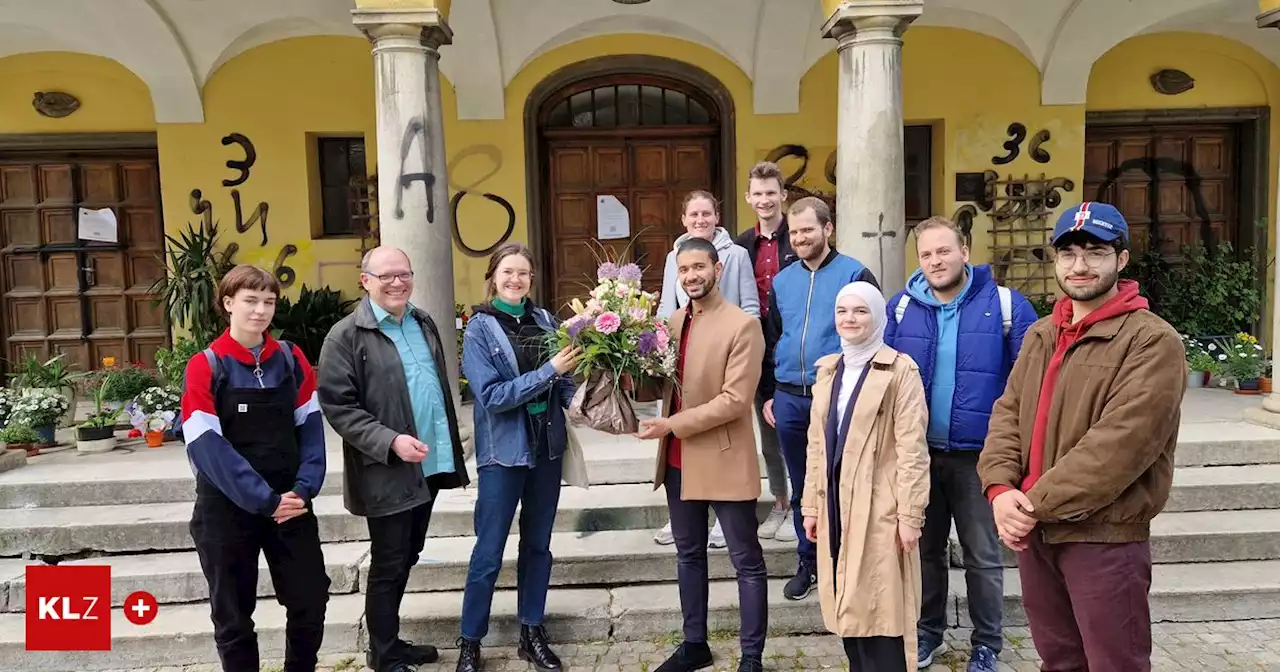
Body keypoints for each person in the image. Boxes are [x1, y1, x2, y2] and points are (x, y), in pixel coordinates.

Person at [977, 202, 1186, 672]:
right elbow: (1007, 415)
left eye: (1095, 252)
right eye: (1068, 254)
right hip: (1038, 535)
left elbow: (1120, 446)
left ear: (1122, 259)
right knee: (1059, 660)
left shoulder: (1152, 341)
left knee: (1115, 663)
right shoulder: (1040, 334)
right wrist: (998, 487)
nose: (1080, 265)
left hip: (1102, 536)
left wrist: (1026, 505)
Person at [883, 216, 1038, 671]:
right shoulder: (901, 308)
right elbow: (885, 377)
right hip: (919, 456)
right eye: (926, 254)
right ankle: (928, 632)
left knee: (984, 556)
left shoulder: (1006, 305)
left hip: (981, 458)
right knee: (924, 552)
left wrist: (1017, 453)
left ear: (965, 251)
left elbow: (1027, 383)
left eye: (943, 251)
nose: (935, 261)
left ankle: (987, 643)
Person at [317, 246, 470, 672]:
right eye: (386, 276)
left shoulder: (422, 322)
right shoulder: (345, 335)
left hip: (431, 461)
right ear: (365, 280)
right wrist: (390, 441)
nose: (397, 282)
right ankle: (383, 654)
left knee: (409, 553)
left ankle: (390, 643)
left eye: (404, 274)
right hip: (386, 466)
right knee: (389, 559)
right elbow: (338, 406)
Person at [181, 264, 329, 672]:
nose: (260, 310)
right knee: (232, 615)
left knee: (311, 597)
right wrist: (263, 500)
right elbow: (207, 445)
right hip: (226, 508)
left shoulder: (291, 358)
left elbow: (312, 428)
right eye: (250, 300)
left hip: (292, 503)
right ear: (228, 304)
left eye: (269, 301)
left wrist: (303, 488)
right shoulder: (205, 366)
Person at [637, 236, 769, 672]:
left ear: (717, 267)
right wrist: (620, 366)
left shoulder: (742, 325)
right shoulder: (671, 323)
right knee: (688, 554)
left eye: (699, 267)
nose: (692, 276)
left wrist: (671, 424)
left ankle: (752, 656)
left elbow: (735, 400)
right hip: (678, 461)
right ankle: (695, 644)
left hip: (724, 456)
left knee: (746, 561)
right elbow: (661, 385)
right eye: (684, 269)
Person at [456, 243, 581, 672]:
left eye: (523, 273)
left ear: (532, 279)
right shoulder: (478, 328)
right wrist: (550, 372)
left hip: (546, 449)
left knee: (538, 547)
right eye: (508, 272)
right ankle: (470, 641)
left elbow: (565, 389)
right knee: (489, 551)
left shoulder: (547, 321)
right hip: (503, 455)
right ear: (493, 276)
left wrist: (596, 398)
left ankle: (531, 632)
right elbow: (491, 397)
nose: (516, 280)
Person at [800, 281, 931, 671]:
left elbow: (913, 449)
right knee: (848, 603)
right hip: (835, 506)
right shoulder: (829, 370)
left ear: (877, 317)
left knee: (881, 605)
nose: (850, 319)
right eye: (843, 311)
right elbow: (816, 447)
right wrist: (810, 505)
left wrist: (910, 515)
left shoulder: (900, 371)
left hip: (879, 508)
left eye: (860, 311)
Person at [762, 196, 879, 601]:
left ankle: (846, 563)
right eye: (794, 232)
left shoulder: (855, 275)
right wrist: (768, 393)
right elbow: (772, 337)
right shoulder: (783, 280)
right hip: (790, 399)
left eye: (808, 230)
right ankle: (808, 561)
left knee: (844, 482)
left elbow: (874, 334)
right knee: (801, 487)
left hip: (838, 396)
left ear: (828, 229)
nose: (800, 238)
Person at [654, 190, 758, 549]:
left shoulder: (736, 256)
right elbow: (668, 304)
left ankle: (718, 516)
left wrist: (744, 349)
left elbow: (750, 306)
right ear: (684, 219)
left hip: (724, 353)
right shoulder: (673, 259)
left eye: (706, 213)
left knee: (744, 556)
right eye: (692, 214)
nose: (699, 220)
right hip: (683, 347)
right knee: (688, 552)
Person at [733, 161, 798, 544]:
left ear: (783, 195)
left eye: (771, 193)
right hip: (759, 346)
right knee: (768, 428)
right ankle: (781, 502)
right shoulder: (743, 245)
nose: (764, 200)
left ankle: (805, 502)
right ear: (748, 198)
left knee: (797, 427)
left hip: (796, 344)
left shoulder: (801, 236)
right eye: (757, 194)